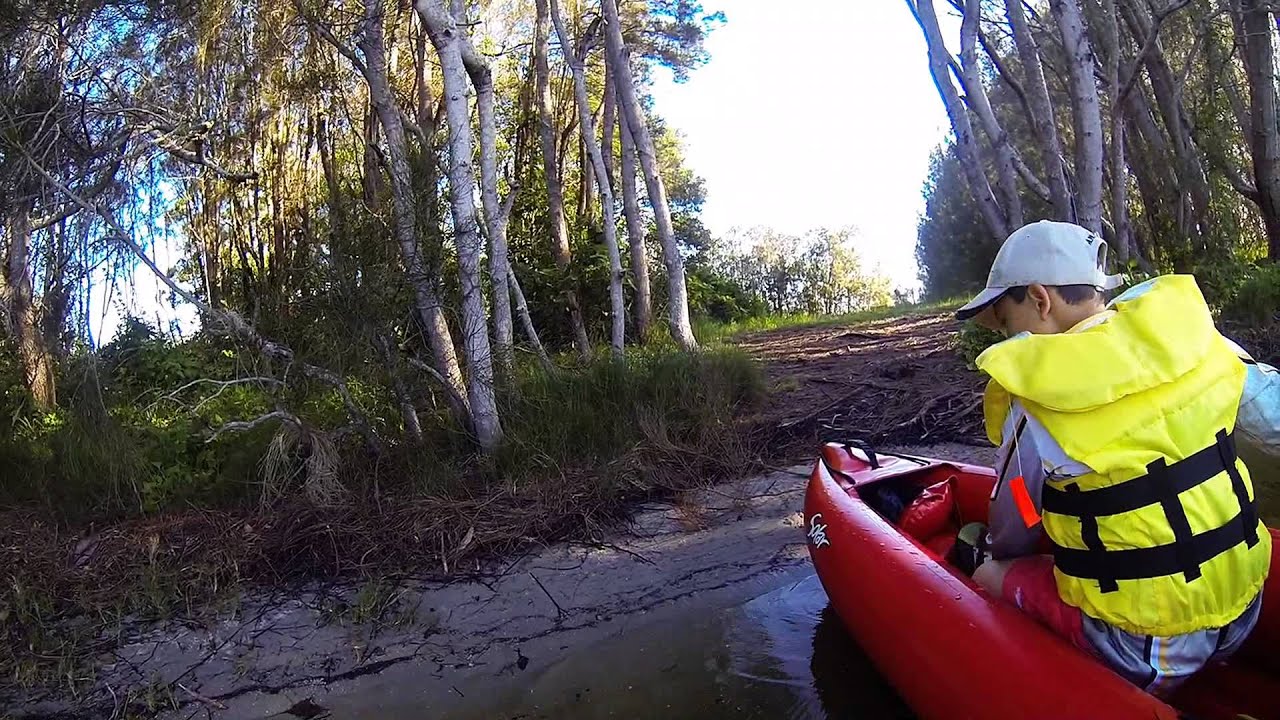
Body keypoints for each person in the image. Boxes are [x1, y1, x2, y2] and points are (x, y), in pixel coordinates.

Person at [954, 219, 1280, 695]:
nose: (1006, 338)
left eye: (1005, 321)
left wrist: (1001, 552)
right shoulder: (1194, 344)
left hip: (1145, 648)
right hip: (1246, 606)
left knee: (988, 567)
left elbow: (1017, 517)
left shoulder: (1036, 397)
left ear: (1040, 300)